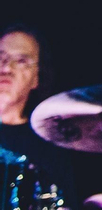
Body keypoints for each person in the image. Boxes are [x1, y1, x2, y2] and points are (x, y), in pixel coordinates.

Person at [0, 24, 76, 205]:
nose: (6, 68)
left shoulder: (49, 150)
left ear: (36, 78)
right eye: (0, 57)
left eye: (20, 61)